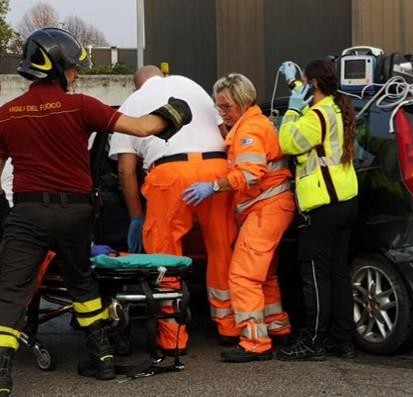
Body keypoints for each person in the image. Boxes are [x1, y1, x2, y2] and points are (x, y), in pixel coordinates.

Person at [0, 28, 191, 396]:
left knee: (10, 291)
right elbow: (142, 127)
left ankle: (3, 374)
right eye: (72, 68)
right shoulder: (81, 106)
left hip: (27, 214)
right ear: (57, 69)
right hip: (75, 213)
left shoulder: (7, 115)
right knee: (82, 282)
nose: (76, 75)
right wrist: (174, 112)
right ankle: (101, 359)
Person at [108, 65, 239, 355]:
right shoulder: (193, 85)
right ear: (164, 76)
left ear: (136, 86)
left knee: (165, 258)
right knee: (222, 250)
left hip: (170, 175)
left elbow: (126, 170)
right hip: (216, 171)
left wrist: (135, 217)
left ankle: (173, 339)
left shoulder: (132, 103)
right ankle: (230, 327)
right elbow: (226, 134)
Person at [184, 73, 293, 362]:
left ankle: (255, 343)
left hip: (265, 208)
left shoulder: (250, 131)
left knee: (243, 276)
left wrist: (214, 186)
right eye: (219, 107)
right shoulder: (253, 125)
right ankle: (277, 327)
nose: (222, 113)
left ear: (243, 102)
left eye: (226, 107)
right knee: (263, 276)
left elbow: (250, 174)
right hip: (271, 207)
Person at [275, 59, 359, 361]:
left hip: (322, 204)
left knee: (315, 276)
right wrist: (294, 85)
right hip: (346, 200)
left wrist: (292, 109)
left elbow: (287, 142)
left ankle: (312, 341)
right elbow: (311, 102)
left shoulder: (313, 116)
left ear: (314, 85)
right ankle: (343, 339)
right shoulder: (337, 107)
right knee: (338, 275)